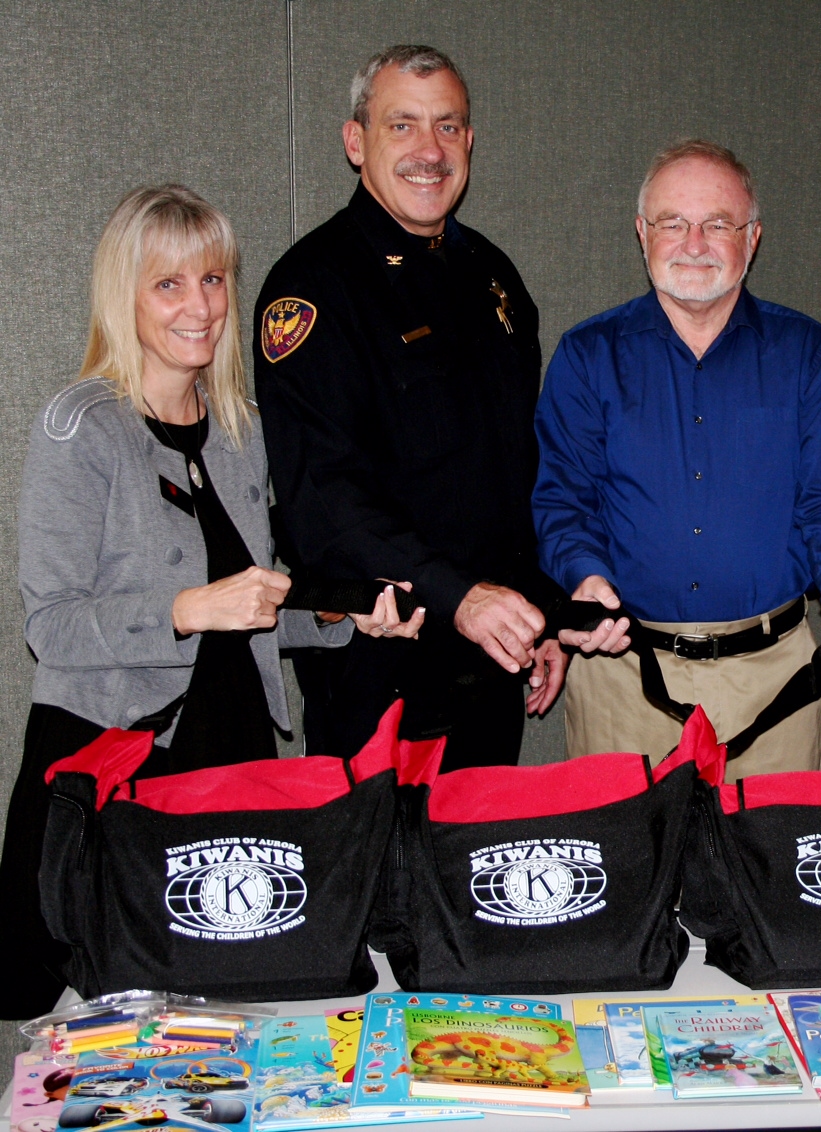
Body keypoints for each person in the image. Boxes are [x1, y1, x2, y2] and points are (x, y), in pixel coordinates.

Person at [0, 184, 417, 1019]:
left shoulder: (242, 429)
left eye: (214, 280)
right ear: (124, 296)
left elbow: (250, 609)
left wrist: (334, 616)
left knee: (233, 1012)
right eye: (169, 284)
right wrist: (186, 609)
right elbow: (52, 625)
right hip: (114, 769)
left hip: (232, 758)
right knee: (108, 1025)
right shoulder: (81, 427)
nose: (200, 306)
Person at [533, 139, 821, 778]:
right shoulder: (587, 357)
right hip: (623, 679)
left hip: (777, 683)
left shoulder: (808, 355)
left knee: (775, 848)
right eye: (673, 222)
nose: (693, 243)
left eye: (718, 224)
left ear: (752, 238)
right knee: (624, 849)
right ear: (642, 233)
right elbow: (564, 499)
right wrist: (585, 578)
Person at [255, 45, 567, 768]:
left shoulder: (492, 276)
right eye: (403, 125)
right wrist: (461, 597)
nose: (430, 150)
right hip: (382, 663)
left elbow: (512, 475)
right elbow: (324, 502)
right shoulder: (313, 288)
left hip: (490, 661)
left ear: (469, 142)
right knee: (380, 848)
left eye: (447, 126)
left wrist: (537, 611)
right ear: (355, 142)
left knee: (482, 845)